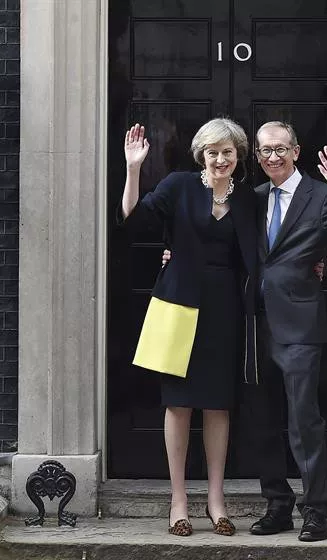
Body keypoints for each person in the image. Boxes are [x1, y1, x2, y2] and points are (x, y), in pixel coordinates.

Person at [119, 118, 259, 537]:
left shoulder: (248, 199)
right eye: (213, 152)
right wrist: (133, 169)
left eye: (228, 152)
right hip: (178, 302)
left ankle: (216, 501)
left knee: (218, 404)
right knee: (178, 404)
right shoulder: (179, 185)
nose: (220, 159)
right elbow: (134, 220)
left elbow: (261, 253)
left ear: (238, 156)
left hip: (224, 309)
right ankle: (178, 500)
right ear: (202, 154)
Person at [248, 121, 327, 542]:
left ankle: (316, 511)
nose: (273, 157)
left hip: (300, 327)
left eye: (280, 149)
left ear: (296, 151)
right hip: (253, 325)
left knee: (304, 421)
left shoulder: (321, 196)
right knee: (263, 421)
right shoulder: (253, 198)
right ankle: (277, 506)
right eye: (265, 150)